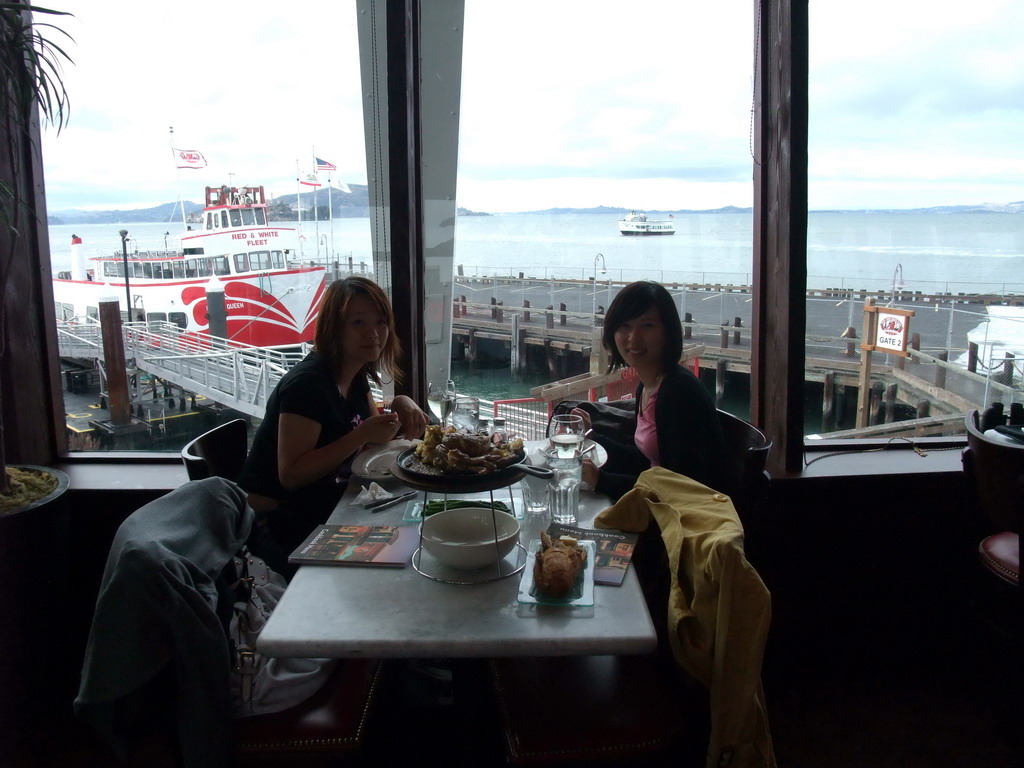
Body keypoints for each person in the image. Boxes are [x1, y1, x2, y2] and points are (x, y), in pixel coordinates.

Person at [239, 277, 428, 572]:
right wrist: (360, 435)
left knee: (415, 534)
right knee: (407, 552)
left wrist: (399, 403)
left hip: (320, 506)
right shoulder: (307, 385)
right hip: (275, 525)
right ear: (333, 327)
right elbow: (291, 475)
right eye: (358, 323)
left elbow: (374, 443)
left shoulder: (353, 374)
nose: (374, 333)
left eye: (380, 322)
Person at [575, 280, 730, 501]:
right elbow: (646, 462)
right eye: (625, 326)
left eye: (647, 325)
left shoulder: (679, 393)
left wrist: (603, 480)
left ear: (668, 331)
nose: (633, 338)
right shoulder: (651, 385)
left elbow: (681, 486)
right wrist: (591, 436)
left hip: (688, 522)